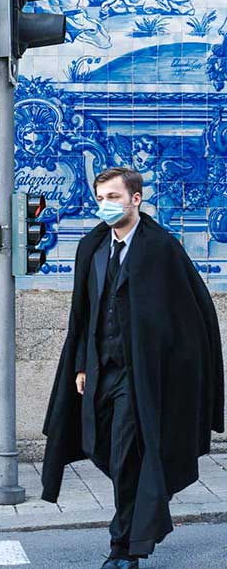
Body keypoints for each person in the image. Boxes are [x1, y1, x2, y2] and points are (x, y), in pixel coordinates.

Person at [41, 167, 224, 569]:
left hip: (139, 376)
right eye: (101, 197)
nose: (105, 205)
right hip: (98, 369)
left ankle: (124, 546)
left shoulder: (160, 249)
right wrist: (81, 365)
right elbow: (83, 315)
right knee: (100, 447)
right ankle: (146, 509)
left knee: (125, 454)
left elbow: (191, 315)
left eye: (113, 197)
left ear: (135, 199)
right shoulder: (92, 247)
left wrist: (173, 370)